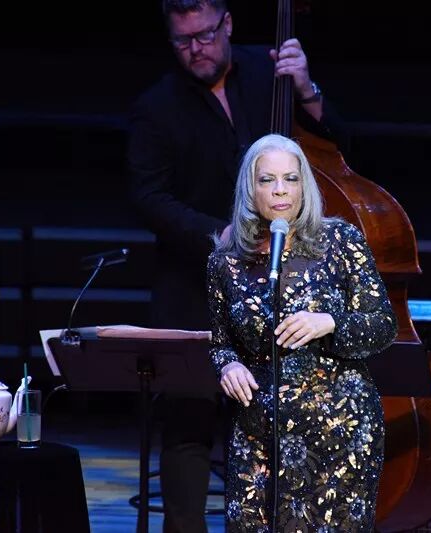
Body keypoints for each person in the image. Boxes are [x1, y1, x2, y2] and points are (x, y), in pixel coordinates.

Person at [126, 1, 342, 531]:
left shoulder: (272, 73)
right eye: (182, 41)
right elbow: (149, 197)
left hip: (282, 284)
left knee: (283, 427)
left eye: (204, 35)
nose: (195, 49)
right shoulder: (156, 107)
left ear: (227, 24)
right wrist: (218, 234)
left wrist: (307, 90)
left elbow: (337, 145)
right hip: (194, 287)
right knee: (187, 428)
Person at [206, 133, 397, 531]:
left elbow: (383, 325)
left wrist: (330, 322)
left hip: (338, 431)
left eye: (290, 179)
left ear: (303, 185)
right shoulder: (226, 260)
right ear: (250, 188)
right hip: (257, 433)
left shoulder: (340, 242)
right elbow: (221, 344)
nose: (280, 190)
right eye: (267, 180)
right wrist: (229, 366)